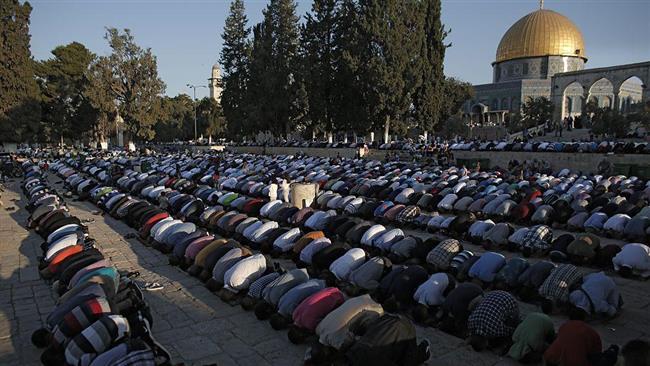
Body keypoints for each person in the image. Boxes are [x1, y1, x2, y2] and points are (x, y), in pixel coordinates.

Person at [345, 314, 431, 366]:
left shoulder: (382, 319)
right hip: (374, 360)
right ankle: (424, 349)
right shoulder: (409, 329)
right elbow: (409, 359)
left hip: (354, 353)